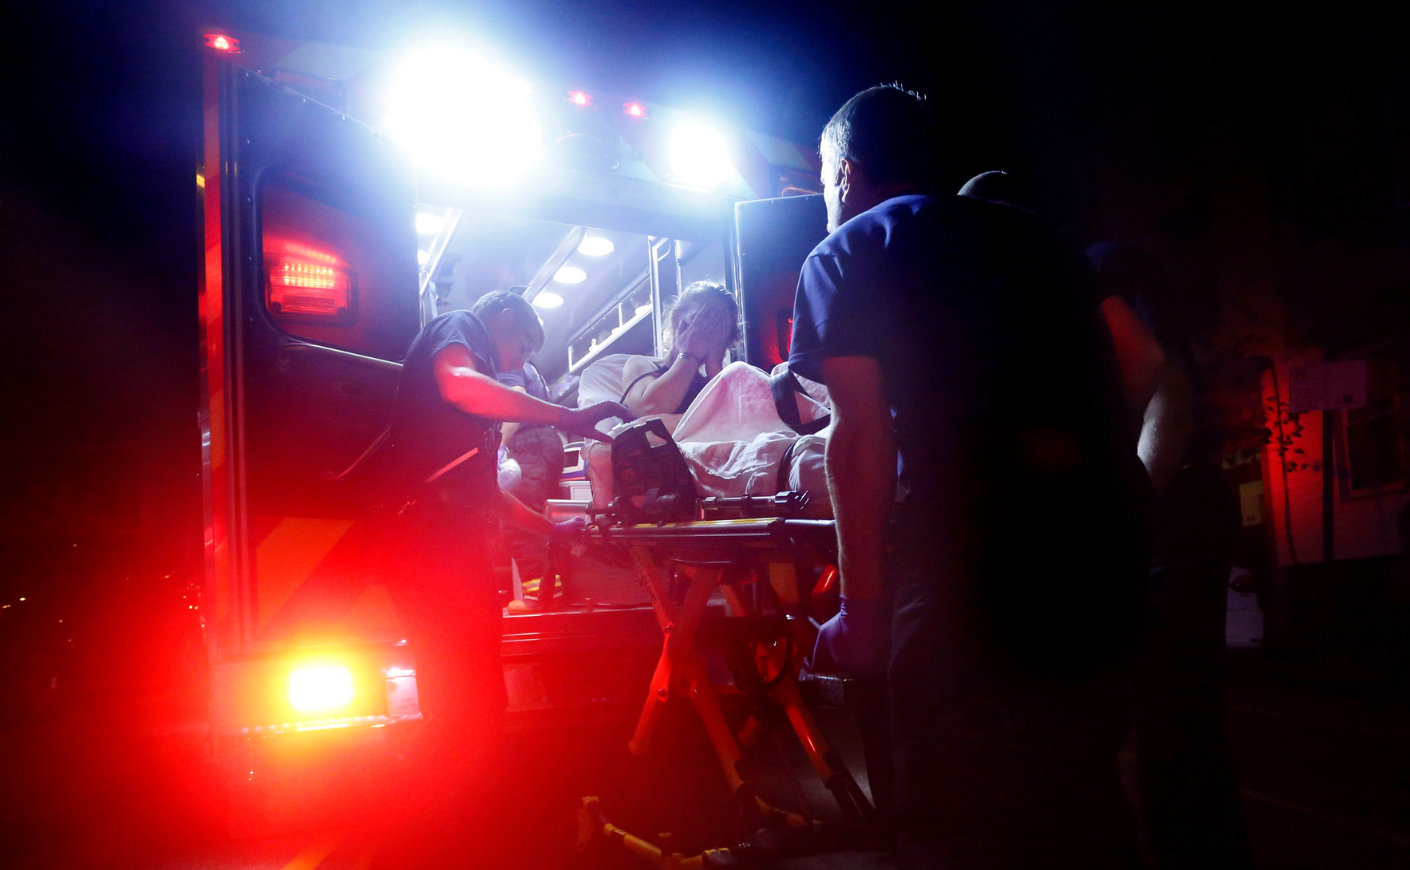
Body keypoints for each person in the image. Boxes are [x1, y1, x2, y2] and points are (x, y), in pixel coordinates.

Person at [794, 85, 1146, 868]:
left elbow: (859, 436)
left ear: (847, 174)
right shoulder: (1040, 238)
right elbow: (1135, 365)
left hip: (969, 563)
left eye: (822, 179)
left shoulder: (851, 249)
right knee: (1082, 801)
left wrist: (861, 609)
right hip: (1103, 549)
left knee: (955, 816)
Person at [371, 289, 629, 868]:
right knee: (464, 690)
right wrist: (568, 416)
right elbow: (457, 381)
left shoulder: (478, 420)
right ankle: (446, 830)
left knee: (472, 688)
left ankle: (464, 823)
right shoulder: (461, 330)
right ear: (504, 320)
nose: (513, 365)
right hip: (425, 540)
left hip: (447, 542)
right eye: (519, 348)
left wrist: (552, 531)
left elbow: (490, 497)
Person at [1089, 242, 1253, 870]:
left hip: (1167, 511)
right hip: (1123, 519)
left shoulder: (1097, 265)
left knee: (1176, 728)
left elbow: (1168, 385)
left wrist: (1132, 513)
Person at [496, 358, 567, 611]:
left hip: (528, 442)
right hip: (546, 441)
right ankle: (552, 594)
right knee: (539, 520)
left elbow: (515, 401)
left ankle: (538, 599)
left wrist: (500, 447)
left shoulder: (507, 362)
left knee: (518, 520)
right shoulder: (530, 367)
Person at [619, 280, 739, 417]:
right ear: (677, 319)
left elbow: (739, 422)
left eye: (718, 328)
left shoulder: (719, 382)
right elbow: (648, 410)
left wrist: (715, 368)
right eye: (701, 321)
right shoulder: (641, 365)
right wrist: (689, 354)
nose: (708, 332)